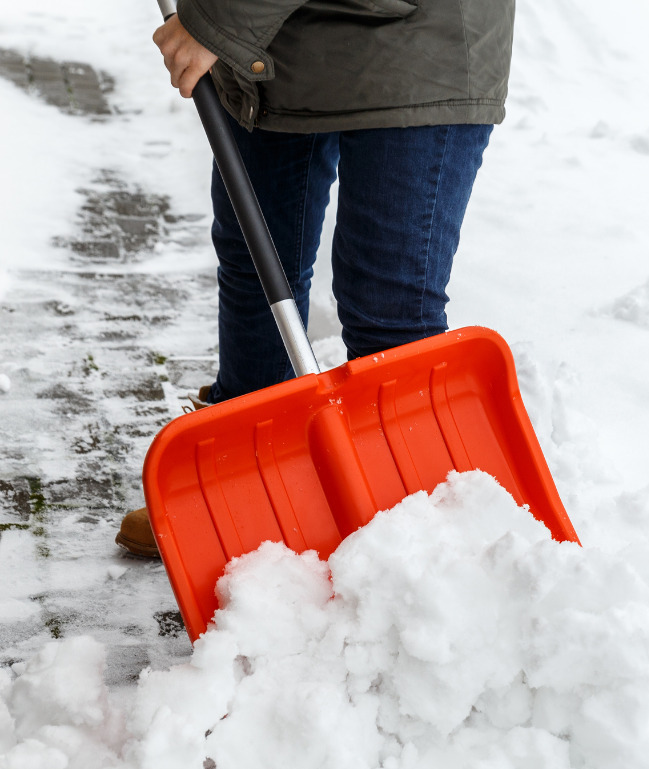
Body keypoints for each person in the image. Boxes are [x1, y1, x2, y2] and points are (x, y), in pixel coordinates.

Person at [115, 0, 513, 557]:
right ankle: (247, 479)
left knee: (388, 303)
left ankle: (417, 534)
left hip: (416, 38)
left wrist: (219, 20)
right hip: (276, 42)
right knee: (259, 261)